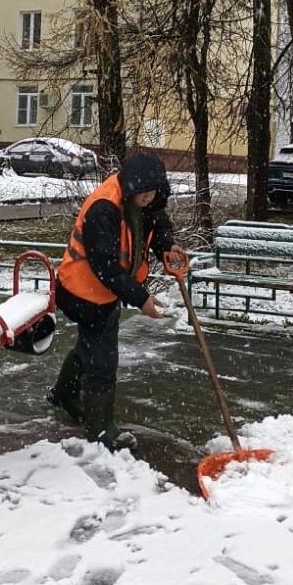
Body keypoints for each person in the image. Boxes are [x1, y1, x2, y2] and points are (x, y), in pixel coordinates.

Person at [48, 151, 188, 451]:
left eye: (152, 193)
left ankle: (63, 394)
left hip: (104, 291)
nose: (148, 199)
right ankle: (100, 432)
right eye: (143, 194)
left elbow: (157, 221)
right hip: (82, 291)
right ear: (129, 188)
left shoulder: (146, 198)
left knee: (91, 345)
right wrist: (142, 299)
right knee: (103, 360)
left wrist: (167, 245)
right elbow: (105, 266)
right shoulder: (105, 207)